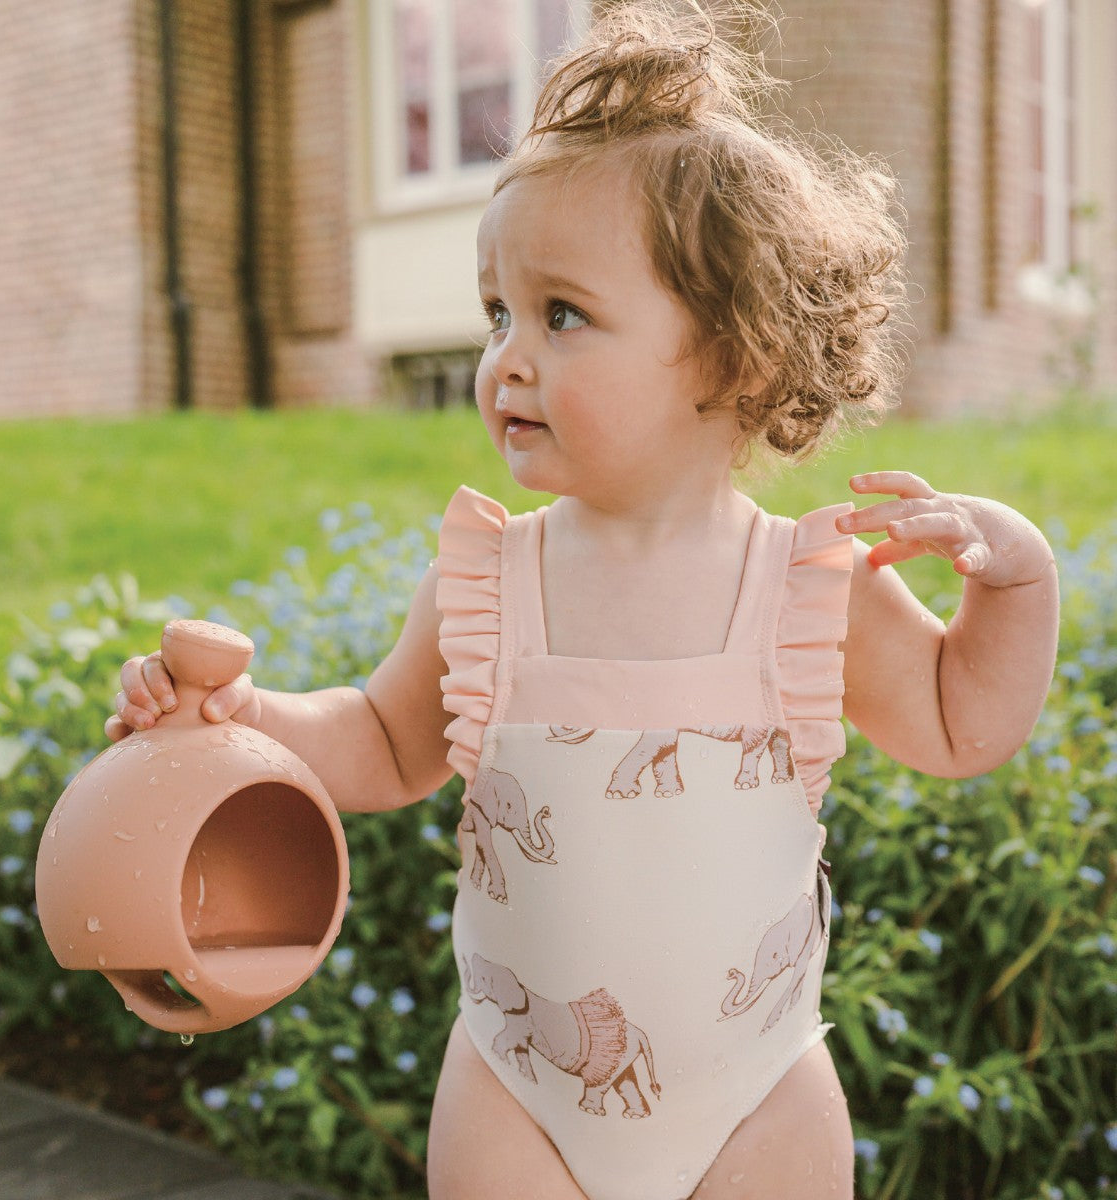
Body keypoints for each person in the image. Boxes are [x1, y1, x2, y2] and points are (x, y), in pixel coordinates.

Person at [106, 4, 1059, 1196]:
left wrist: (1013, 579)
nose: (507, 355)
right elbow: (384, 741)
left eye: (562, 314)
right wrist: (242, 715)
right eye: (498, 311)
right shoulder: (490, 586)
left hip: (757, 1096)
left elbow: (966, 724)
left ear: (737, 357)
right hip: (521, 1091)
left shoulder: (805, 594)